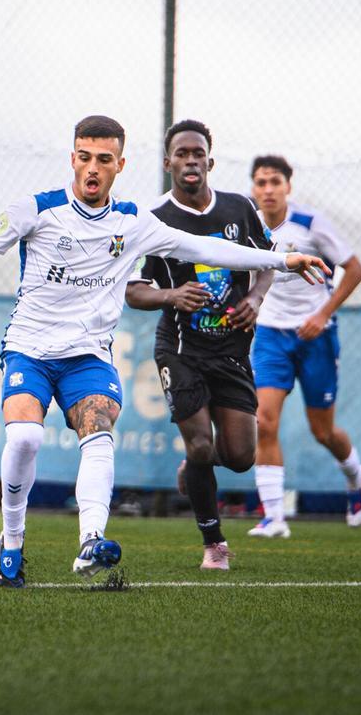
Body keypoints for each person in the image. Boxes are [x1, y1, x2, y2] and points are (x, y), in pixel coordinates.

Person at [0, 116, 329, 588]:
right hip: (29, 350)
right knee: (26, 439)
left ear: (120, 164)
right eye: (84, 157)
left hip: (88, 357)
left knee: (99, 434)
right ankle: (11, 546)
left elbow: (206, 248)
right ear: (72, 159)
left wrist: (284, 260)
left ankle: (91, 541)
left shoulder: (134, 222)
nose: (92, 168)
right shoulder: (35, 210)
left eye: (103, 159)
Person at [125, 120, 273, 570]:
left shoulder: (239, 209)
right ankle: (214, 545)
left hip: (232, 350)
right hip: (180, 349)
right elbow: (133, 290)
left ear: (210, 161)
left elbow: (268, 261)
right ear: (167, 162)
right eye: (181, 153)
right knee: (202, 446)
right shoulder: (152, 220)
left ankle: (194, 467)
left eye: (197, 153)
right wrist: (171, 295)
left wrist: (255, 298)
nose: (190, 160)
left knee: (241, 457)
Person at [247, 155, 361, 538]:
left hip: (316, 336)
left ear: (288, 187)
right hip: (270, 334)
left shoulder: (311, 223)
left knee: (323, 432)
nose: (268, 190)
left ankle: (356, 477)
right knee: (264, 421)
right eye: (261, 182)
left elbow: (355, 269)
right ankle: (274, 518)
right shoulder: (247, 224)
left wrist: (322, 315)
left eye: (275, 182)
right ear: (253, 188)